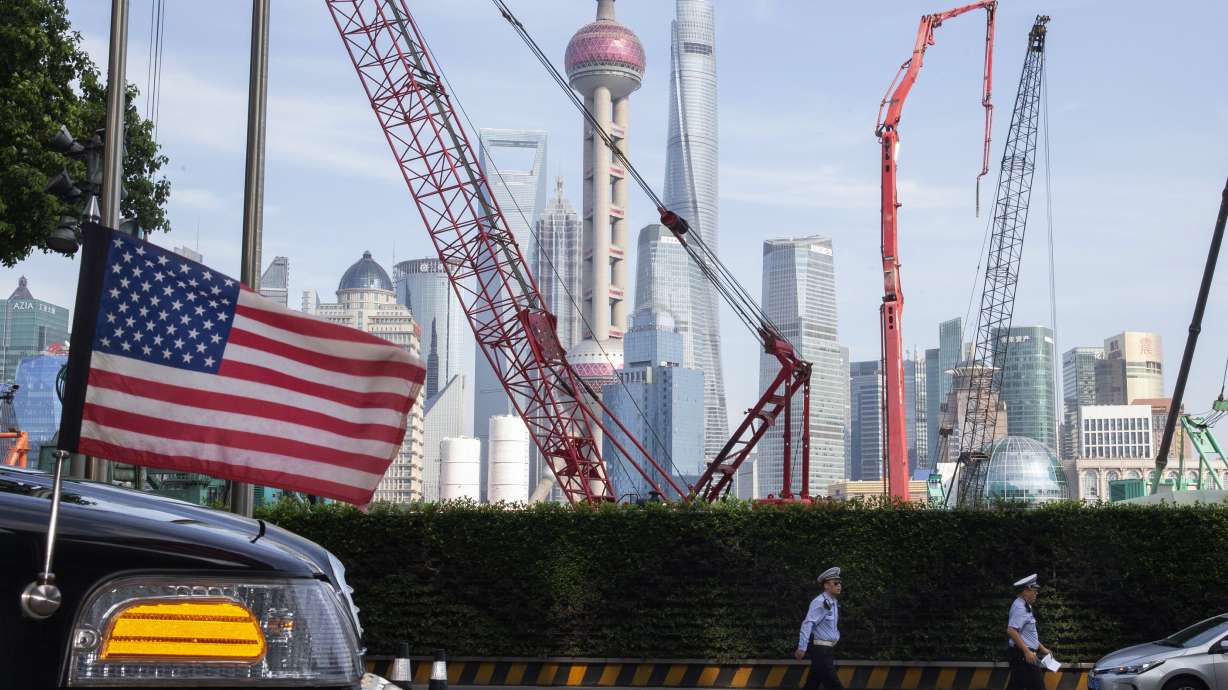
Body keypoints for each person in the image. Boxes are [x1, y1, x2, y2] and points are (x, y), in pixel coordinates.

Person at [795, 566, 844, 690]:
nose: (839, 586)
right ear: (826, 586)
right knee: (834, 683)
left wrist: (836, 636)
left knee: (812, 683)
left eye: (840, 583)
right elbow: (808, 623)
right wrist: (802, 647)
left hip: (827, 649)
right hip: (821, 650)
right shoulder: (820, 602)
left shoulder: (833, 602)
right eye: (836, 583)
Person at [1005, 574, 1053, 690]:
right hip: (1024, 655)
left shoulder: (1026, 606)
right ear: (1025, 590)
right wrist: (1026, 652)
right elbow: (1011, 630)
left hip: (1024, 655)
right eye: (1034, 591)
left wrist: (1042, 648)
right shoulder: (1020, 607)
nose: (1036, 593)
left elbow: (1028, 634)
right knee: (1038, 686)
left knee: (1017, 685)